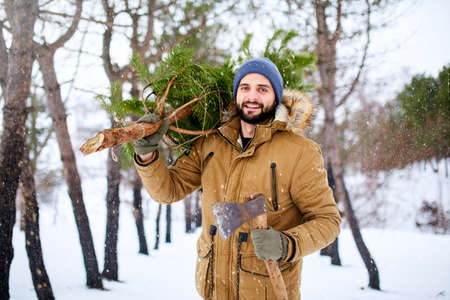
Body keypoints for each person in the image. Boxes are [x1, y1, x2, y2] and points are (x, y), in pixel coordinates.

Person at [133, 57, 341, 300]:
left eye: (262, 89)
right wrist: (147, 156)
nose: (252, 96)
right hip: (213, 289)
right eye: (245, 88)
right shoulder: (211, 142)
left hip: (267, 292)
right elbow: (167, 191)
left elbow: (327, 220)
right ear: (236, 94)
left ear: (276, 96)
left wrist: (287, 244)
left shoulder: (299, 151)